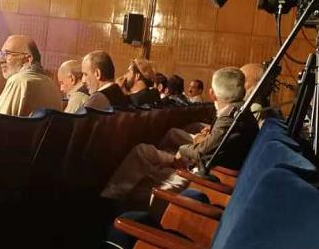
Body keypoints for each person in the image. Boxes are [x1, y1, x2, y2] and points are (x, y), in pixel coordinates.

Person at [101, 67, 258, 209]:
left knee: (142, 155)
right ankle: (114, 196)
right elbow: (215, 146)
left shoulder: (230, 118)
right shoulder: (238, 113)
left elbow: (202, 152)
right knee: (146, 152)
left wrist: (183, 151)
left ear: (213, 93)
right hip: (203, 170)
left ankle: (109, 202)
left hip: (199, 179)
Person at [0, 35, 61, 117]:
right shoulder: (52, 86)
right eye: (1, 54)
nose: (0, 60)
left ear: (28, 60)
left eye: (7, 54)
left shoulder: (18, 82)